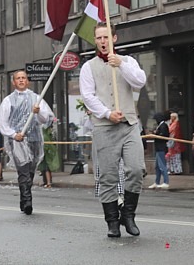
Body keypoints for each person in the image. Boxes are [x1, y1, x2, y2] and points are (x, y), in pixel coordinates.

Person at [79, 22, 147, 238]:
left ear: (114, 39)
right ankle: (112, 221)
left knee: (136, 169)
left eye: (106, 37)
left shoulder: (128, 61)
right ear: (95, 41)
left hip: (129, 125)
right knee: (108, 177)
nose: (102, 41)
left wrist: (120, 65)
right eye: (99, 38)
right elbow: (88, 96)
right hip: (104, 127)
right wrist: (108, 113)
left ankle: (128, 214)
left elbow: (140, 81)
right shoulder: (88, 67)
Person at [0, 70, 54, 215]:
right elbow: (2, 122)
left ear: (27, 81)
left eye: (23, 78)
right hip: (18, 141)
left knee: (31, 170)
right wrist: (14, 134)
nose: (21, 80)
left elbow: (45, 119)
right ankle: (28, 201)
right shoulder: (8, 100)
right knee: (23, 170)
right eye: (18, 78)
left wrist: (38, 111)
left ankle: (24, 198)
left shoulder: (36, 98)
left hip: (34, 138)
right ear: (13, 82)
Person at [149, 112, 170, 189]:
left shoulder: (164, 125)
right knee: (157, 167)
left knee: (162, 166)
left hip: (161, 148)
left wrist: (156, 134)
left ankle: (166, 182)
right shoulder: (160, 125)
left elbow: (165, 135)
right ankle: (157, 182)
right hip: (158, 148)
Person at [38, 116, 59, 188]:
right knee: (45, 168)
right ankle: (46, 181)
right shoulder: (49, 132)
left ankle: (48, 182)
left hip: (46, 151)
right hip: (47, 150)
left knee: (46, 168)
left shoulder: (45, 133)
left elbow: (47, 143)